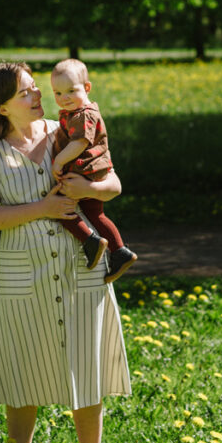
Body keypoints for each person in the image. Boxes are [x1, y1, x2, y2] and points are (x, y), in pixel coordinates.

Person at [0, 61, 131, 443]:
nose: (38, 95)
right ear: (2, 108)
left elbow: (113, 185)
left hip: (83, 268)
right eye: (25, 92)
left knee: (87, 366)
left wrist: (88, 189)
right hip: (27, 274)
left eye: (36, 88)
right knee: (23, 373)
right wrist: (44, 208)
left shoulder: (67, 130)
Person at [51, 59, 137, 284]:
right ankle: (119, 252)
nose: (64, 97)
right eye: (58, 93)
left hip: (84, 170)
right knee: (95, 214)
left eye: (71, 90)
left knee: (60, 208)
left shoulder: (83, 115)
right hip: (93, 171)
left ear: (87, 88)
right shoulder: (79, 112)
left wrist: (59, 160)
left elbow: (79, 143)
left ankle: (90, 241)